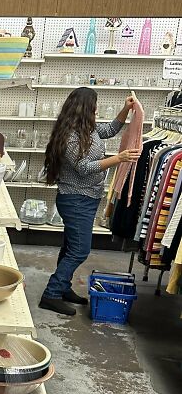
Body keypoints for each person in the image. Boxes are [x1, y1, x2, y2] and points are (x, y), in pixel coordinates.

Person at [39, 86, 139, 316]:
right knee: (79, 251)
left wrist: (125, 109)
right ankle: (51, 294)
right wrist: (119, 158)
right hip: (75, 200)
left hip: (86, 198)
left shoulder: (88, 129)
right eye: (94, 106)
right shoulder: (71, 136)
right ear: (85, 109)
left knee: (70, 247)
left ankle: (63, 288)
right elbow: (83, 168)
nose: (97, 110)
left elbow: (111, 129)